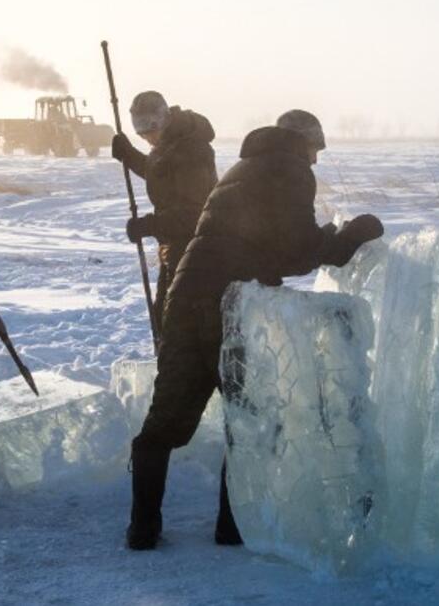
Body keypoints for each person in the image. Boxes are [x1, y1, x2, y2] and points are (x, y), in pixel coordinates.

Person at [126, 109, 385, 550]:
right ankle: (233, 527)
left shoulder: (247, 166)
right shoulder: (289, 169)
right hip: (229, 304)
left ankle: (142, 528)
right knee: (247, 415)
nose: (316, 161)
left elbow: (272, 240)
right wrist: (352, 237)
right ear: (301, 143)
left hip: (187, 295)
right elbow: (299, 249)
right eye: (315, 150)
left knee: (166, 418)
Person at [111, 91, 218, 334]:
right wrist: (129, 156)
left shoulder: (191, 149)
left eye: (149, 128)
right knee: (164, 323)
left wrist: (149, 225)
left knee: (178, 328)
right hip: (176, 248)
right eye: (140, 132)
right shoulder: (170, 145)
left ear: (164, 118)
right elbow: (162, 176)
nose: (147, 137)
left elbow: (194, 214)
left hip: (197, 255)